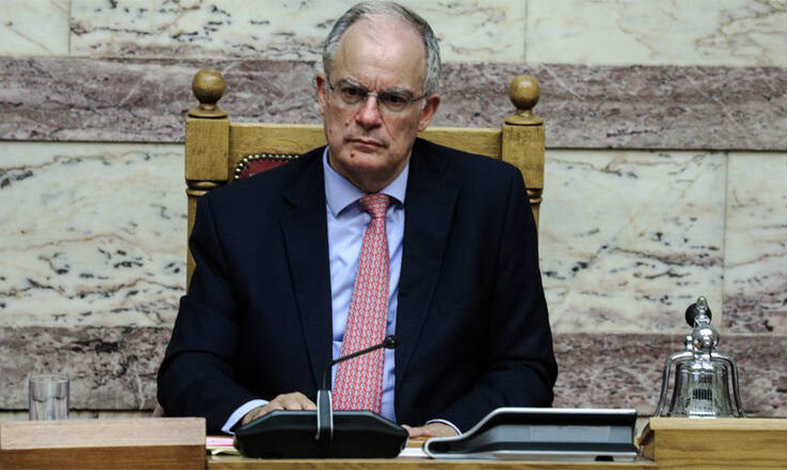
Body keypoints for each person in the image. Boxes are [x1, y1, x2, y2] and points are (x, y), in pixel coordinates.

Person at [157, 1, 557, 438]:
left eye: (394, 99)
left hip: (430, 460)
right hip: (291, 459)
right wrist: (258, 415)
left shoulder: (490, 202)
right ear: (322, 93)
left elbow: (525, 366)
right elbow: (189, 369)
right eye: (351, 92)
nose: (367, 117)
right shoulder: (238, 215)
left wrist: (450, 431)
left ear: (426, 112)